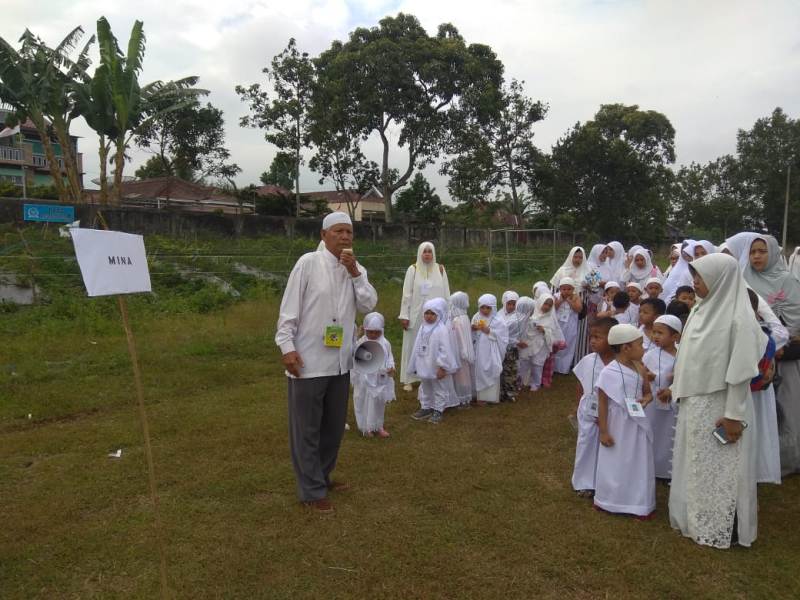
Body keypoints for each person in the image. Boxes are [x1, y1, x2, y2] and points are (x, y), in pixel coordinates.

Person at [275, 212, 378, 513]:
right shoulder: (308, 263)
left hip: (340, 362)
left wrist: (356, 273)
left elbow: (369, 304)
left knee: (332, 428)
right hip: (308, 360)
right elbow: (288, 309)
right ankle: (311, 490)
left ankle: (322, 475)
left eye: (349, 232)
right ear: (323, 235)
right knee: (306, 428)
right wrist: (286, 346)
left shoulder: (356, 269)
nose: (345, 237)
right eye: (338, 231)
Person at [669, 253, 766, 548]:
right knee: (697, 464)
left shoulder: (739, 319)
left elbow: (740, 372)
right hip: (695, 402)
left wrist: (733, 415)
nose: (694, 283)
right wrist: (675, 386)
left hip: (721, 406)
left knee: (723, 469)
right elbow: (689, 358)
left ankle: (723, 525)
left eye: (700, 277)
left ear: (720, 279)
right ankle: (696, 518)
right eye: (694, 276)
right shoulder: (701, 310)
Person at [743, 234, 800, 477]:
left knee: (788, 405)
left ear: (774, 253)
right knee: (761, 409)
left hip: (786, 356)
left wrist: (781, 340)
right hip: (756, 354)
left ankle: (789, 459)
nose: (756, 256)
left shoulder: (787, 280)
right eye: (753, 251)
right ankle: (762, 460)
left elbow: (795, 313)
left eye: (762, 251)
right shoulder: (744, 278)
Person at [594, 324, 655, 518]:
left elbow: (647, 392)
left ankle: (638, 503)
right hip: (616, 424)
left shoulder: (640, 367)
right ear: (626, 347)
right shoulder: (608, 372)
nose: (644, 348)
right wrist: (604, 431)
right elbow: (602, 404)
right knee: (616, 460)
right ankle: (610, 499)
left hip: (636, 423)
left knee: (637, 459)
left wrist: (646, 399)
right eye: (640, 344)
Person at [571, 317, 618, 497]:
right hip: (588, 411)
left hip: (611, 412)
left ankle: (605, 480)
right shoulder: (588, 360)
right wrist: (578, 408)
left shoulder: (618, 364)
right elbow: (580, 384)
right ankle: (584, 481)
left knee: (608, 445)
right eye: (591, 337)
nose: (592, 341)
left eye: (598, 337)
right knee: (586, 444)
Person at [399, 242, 451, 392]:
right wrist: (404, 315)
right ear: (420, 253)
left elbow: (446, 293)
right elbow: (406, 294)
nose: (427, 254)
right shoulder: (413, 269)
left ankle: (429, 375)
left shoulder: (440, 269)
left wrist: (448, 314)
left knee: (433, 346)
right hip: (416, 316)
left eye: (430, 251)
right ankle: (409, 378)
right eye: (424, 251)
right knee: (412, 345)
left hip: (436, 317)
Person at [746, 288, 781, 484]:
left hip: (755, 394)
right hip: (739, 393)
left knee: (755, 432)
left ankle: (754, 478)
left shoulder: (764, 334)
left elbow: (768, 369)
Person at [408, 298, 460, 425]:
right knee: (425, 386)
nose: (429, 316)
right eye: (427, 313)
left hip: (436, 366)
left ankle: (438, 409)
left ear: (439, 314)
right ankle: (426, 407)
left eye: (432, 314)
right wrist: (415, 362)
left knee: (439, 388)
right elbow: (417, 345)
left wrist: (442, 366)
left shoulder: (441, 329)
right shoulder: (423, 327)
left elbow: (445, 349)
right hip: (423, 363)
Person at [643, 315, 681, 480]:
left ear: (675, 337)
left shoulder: (682, 355)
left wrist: (673, 383)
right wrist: (648, 376)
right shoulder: (650, 354)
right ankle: (649, 466)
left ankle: (667, 469)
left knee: (668, 434)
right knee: (653, 430)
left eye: (660, 333)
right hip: (652, 401)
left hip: (672, 402)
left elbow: (684, 375)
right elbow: (641, 371)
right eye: (654, 332)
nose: (655, 336)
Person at [351, 312, 395, 438]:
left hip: (379, 380)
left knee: (378, 403)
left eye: (377, 332)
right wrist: (356, 336)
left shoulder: (385, 343)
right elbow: (353, 353)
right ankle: (365, 427)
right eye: (370, 332)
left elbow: (389, 357)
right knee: (362, 401)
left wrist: (391, 367)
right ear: (365, 330)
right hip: (364, 380)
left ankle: (378, 425)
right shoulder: (361, 342)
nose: (373, 335)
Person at [472, 294, 509, 405]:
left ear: (493, 307)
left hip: (492, 350)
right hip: (479, 350)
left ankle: (492, 397)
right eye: (482, 307)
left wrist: (489, 331)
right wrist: (473, 328)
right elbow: (471, 331)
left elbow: (503, 337)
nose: (485, 310)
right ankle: (481, 397)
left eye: (488, 307)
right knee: (480, 370)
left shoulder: (498, 320)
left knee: (492, 369)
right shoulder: (476, 317)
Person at [519, 293, 561, 391]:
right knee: (524, 362)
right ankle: (521, 381)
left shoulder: (550, 318)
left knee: (537, 364)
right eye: (545, 304)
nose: (547, 307)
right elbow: (524, 328)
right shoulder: (532, 313)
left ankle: (536, 383)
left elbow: (553, 334)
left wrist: (544, 330)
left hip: (542, 345)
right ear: (540, 303)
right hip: (529, 343)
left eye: (550, 305)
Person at [449, 292, 475, 408]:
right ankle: (466, 397)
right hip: (466, 352)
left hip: (459, 352)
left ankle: (463, 398)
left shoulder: (456, 320)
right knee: (465, 375)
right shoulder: (465, 317)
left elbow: (459, 338)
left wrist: (462, 351)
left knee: (461, 377)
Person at [553, 278, 583, 374]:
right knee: (557, 344)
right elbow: (553, 308)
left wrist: (570, 302)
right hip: (558, 324)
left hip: (570, 324)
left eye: (569, 289)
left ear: (573, 289)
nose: (566, 291)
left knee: (568, 344)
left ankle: (564, 368)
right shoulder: (556, 296)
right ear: (560, 289)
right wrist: (561, 300)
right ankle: (554, 367)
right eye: (564, 289)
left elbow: (578, 309)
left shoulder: (576, 297)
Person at [498, 291, 521, 402]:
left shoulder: (518, 317)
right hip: (499, 348)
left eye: (514, 304)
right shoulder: (499, 314)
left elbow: (514, 334)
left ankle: (510, 392)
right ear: (504, 303)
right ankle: (501, 392)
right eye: (509, 304)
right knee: (500, 370)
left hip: (511, 349)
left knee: (510, 371)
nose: (511, 307)